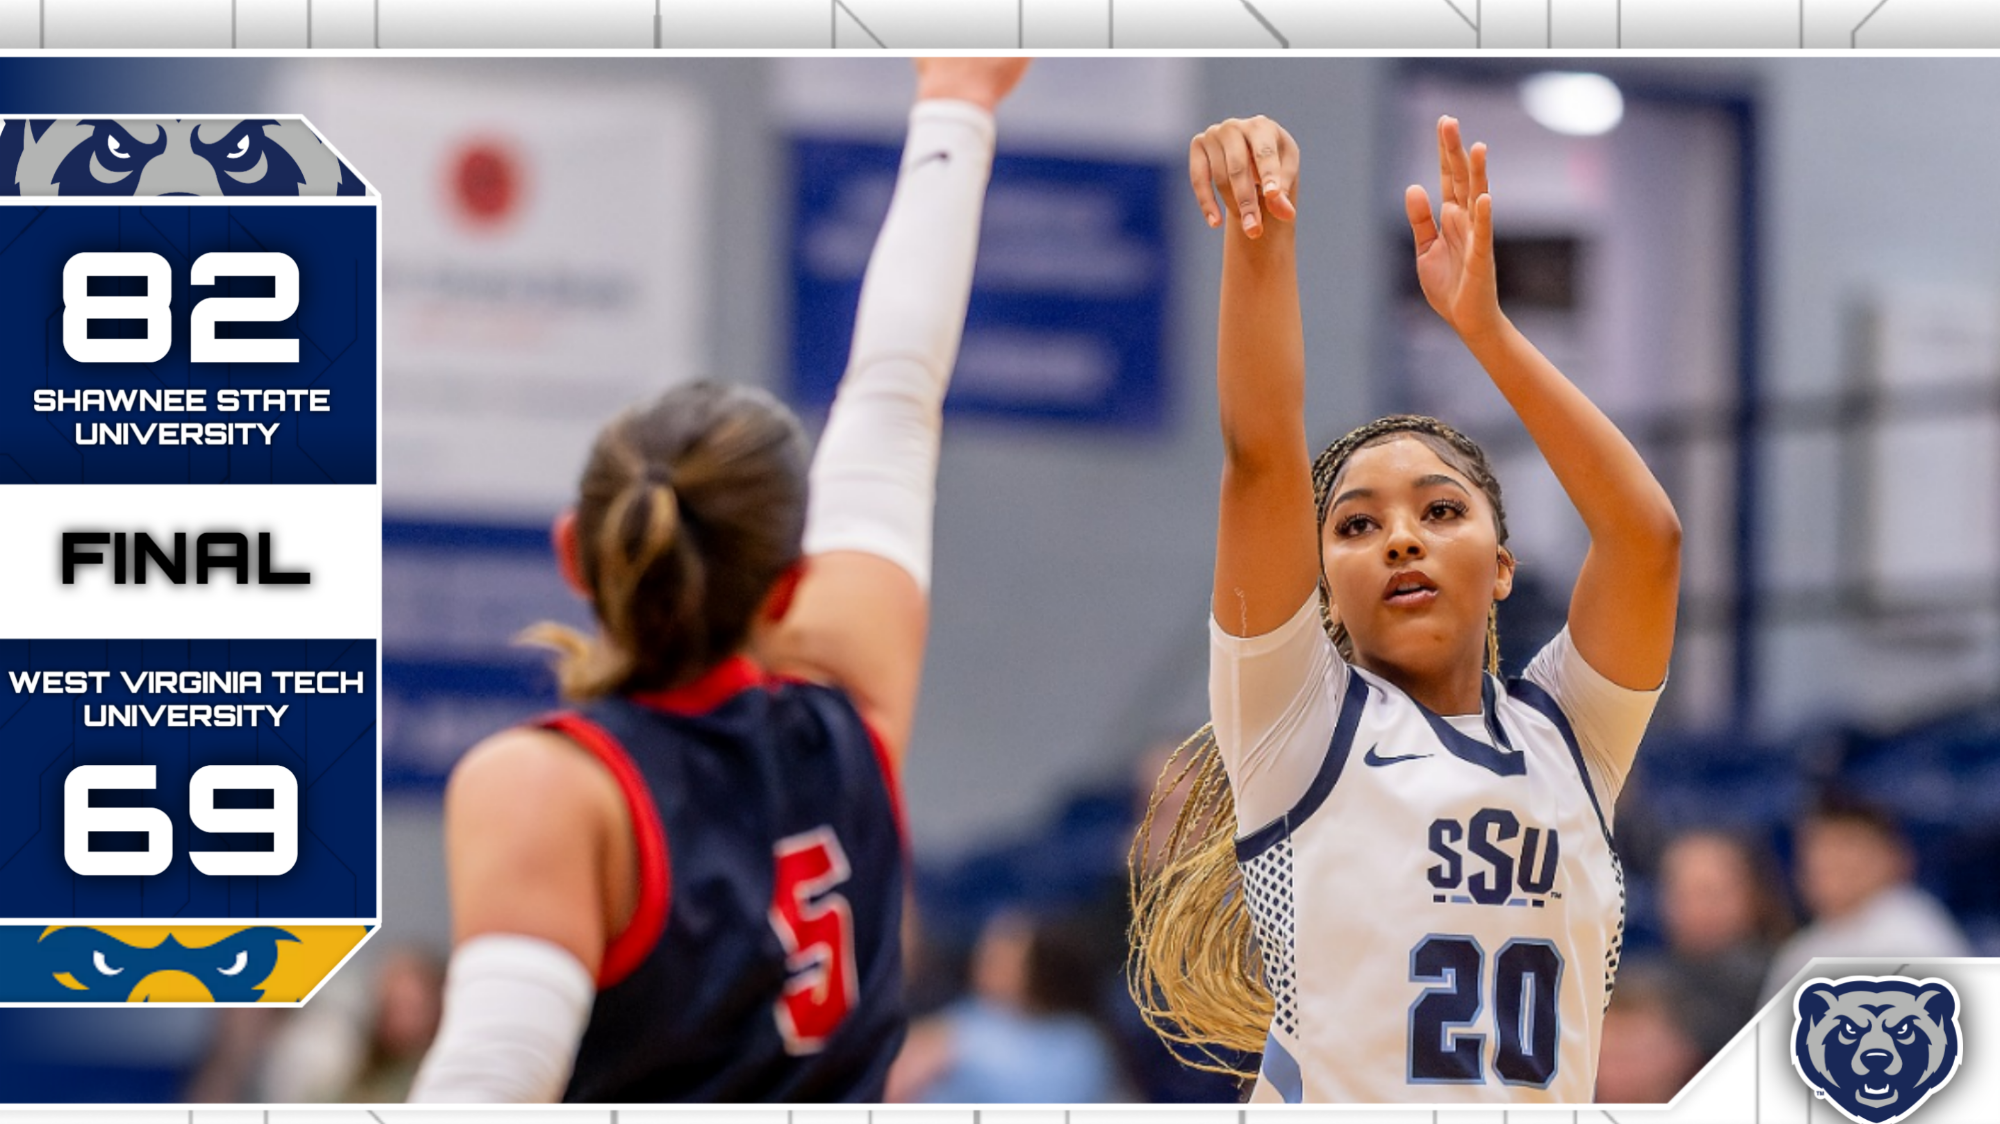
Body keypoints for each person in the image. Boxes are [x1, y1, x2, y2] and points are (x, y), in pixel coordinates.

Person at [407, 57, 1029, 1103]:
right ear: (787, 587)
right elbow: (892, 389)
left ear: (572, 554)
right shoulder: (849, 712)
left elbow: (484, 1085)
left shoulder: (550, 791)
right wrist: (956, 102)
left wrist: (954, 106)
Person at [1129, 113, 1682, 1103]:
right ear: (1322, 582)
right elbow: (1260, 451)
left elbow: (1645, 540)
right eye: (1352, 524)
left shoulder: (1569, 736)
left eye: (1438, 509)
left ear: (1501, 565)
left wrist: (1486, 332)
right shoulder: (1292, 720)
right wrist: (1262, 233)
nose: (1398, 537)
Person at [1760, 791, 1970, 1002]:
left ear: (1891, 856)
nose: (1829, 860)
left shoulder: (1909, 924)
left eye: (1845, 846)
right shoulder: (1799, 952)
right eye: (1817, 848)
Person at [1648, 829, 1793, 1060]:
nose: (1696, 909)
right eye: (1683, 895)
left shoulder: (1786, 976)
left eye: (1711, 893)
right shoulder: (1647, 983)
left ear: (1754, 894)